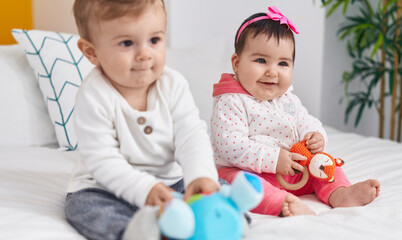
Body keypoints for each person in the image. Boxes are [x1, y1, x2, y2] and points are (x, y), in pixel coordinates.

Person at [65, 1, 220, 239]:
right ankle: (142, 231)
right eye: (127, 43)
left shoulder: (173, 84)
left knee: (218, 190)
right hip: (105, 187)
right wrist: (145, 189)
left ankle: (216, 220)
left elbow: (191, 135)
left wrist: (201, 176)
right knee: (84, 208)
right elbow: (103, 160)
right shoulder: (93, 95)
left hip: (171, 183)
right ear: (92, 52)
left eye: (155, 40)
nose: (145, 54)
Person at [211, 6, 380, 217]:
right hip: (249, 170)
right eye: (261, 60)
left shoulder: (287, 99)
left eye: (283, 63)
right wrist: (273, 159)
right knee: (240, 185)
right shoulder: (231, 101)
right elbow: (231, 146)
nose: (272, 71)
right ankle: (283, 203)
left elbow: (304, 121)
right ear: (236, 63)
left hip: (292, 171)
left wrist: (316, 136)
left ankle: (339, 193)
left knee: (327, 164)